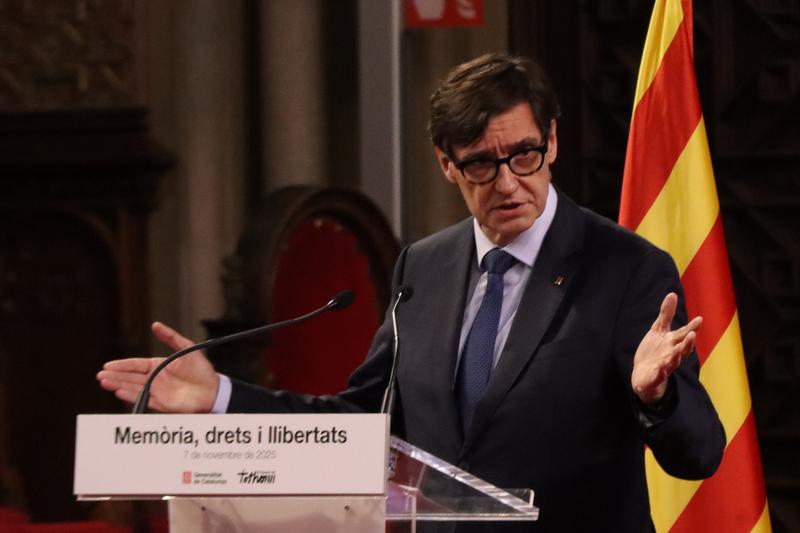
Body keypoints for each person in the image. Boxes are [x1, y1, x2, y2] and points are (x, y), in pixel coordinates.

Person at [98, 53, 725, 532]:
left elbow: (698, 456)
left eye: (525, 155)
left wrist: (657, 396)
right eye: (481, 163)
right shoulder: (425, 267)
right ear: (446, 163)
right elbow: (361, 425)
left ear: (552, 142)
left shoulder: (626, 269)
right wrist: (223, 399)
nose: (507, 182)